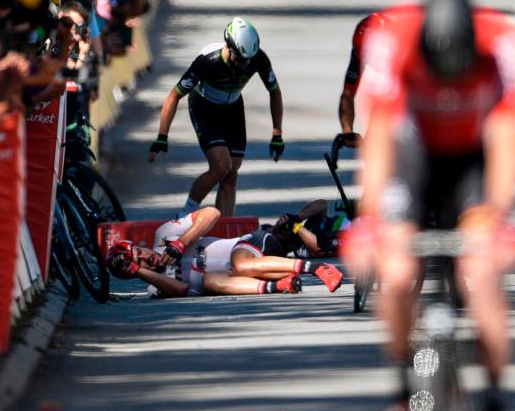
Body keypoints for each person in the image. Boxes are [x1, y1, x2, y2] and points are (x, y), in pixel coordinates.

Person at [344, 0, 515, 411]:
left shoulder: (502, 44)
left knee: (483, 275)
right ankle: (403, 402)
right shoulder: (394, 41)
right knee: (398, 271)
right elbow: (379, 134)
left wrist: (500, 219)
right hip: (414, 154)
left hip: (472, 159)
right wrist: (371, 219)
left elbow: (508, 139)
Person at [148, 18, 285, 218]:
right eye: (241, 59)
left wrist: (277, 133)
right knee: (221, 166)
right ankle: (185, 215)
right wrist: (162, 135)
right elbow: (174, 95)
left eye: (249, 59)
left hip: (233, 108)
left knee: (231, 175)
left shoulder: (257, 59)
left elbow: (275, 92)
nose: (245, 64)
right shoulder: (207, 61)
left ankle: (224, 230)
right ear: (228, 48)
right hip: (205, 106)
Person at [106, 206, 344, 297]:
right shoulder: (155, 285)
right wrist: (140, 272)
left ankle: (316, 268)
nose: (146, 257)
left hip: (251, 244)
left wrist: (181, 243)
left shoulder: (163, 235)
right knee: (208, 281)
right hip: (247, 276)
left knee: (239, 264)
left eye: (140, 252)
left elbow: (213, 213)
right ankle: (278, 286)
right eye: (140, 263)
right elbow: (181, 289)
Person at [338, 12, 385, 147]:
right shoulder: (359, 50)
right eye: (364, 57)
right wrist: (347, 132)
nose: (369, 62)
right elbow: (348, 94)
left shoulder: (399, 48)